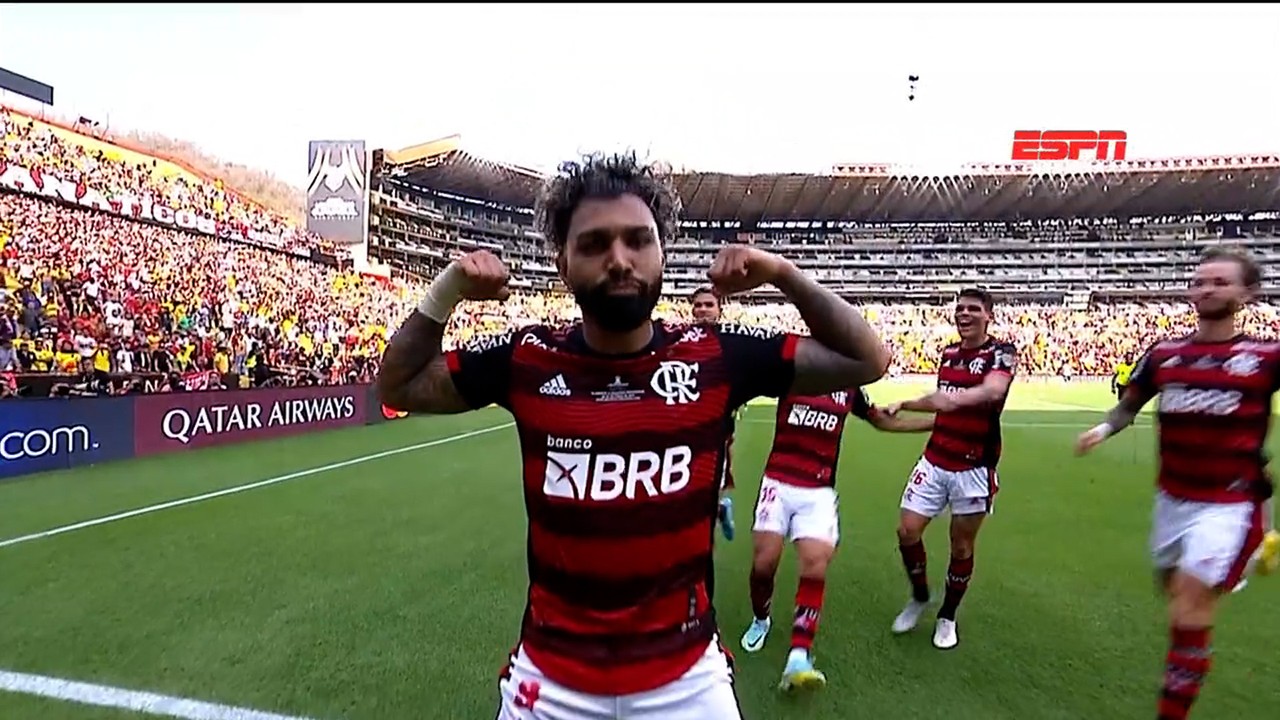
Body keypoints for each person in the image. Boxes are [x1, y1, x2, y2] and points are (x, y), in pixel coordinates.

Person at [375, 151, 891, 719]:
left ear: (662, 252)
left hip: (688, 680)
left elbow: (866, 359)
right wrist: (444, 291)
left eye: (638, 240)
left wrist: (784, 275)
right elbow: (399, 387)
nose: (619, 260)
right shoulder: (527, 357)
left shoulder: (718, 355)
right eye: (594, 244)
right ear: (563, 263)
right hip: (550, 682)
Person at [1074, 247, 1280, 720]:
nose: (1207, 289)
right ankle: (1237, 562)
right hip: (1172, 499)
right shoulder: (1165, 353)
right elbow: (1131, 402)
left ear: (1247, 292)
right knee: (1173, 588)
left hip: (1229, 502)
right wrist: (1104, 429)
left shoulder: (1265, 356)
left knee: (1188, 608)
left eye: (1220, 282)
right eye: (1201, 281)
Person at [739, 386, 934, 691]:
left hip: (817, 491)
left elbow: (880, 419)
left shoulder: (850, 387)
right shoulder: (794, 371)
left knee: (815, 564)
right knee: (764, 563)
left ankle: (799, 655)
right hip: (778, 481)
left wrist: (933, 423)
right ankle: (761, 618)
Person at [880, 288, 1018, 650]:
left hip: (974, 468)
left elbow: (992, 391)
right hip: (935, 459)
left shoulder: (1001, 353)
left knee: (960, 548)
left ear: (989, 315)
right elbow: (939, 406)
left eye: (973, 309)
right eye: (960, 309)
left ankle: (948, 615)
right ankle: (920, 595)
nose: (964, 314)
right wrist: (904, 406)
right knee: (907, 531)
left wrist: (952, 401)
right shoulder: (949, 354)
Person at [690, 286, 739, 541]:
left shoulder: (729, 343)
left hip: (717, 429)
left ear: (720, 310)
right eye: (698, 305)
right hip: (684, 426)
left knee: (706, 491)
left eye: (709, 305)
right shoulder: (683, 341)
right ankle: (719, 509)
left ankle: (717, 511)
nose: (702, 310)